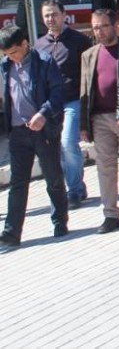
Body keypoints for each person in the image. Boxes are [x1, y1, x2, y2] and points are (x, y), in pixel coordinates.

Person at [0, 26, 67, 248]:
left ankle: (59, 220)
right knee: (18, 183)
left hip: (43, 130)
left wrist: (43, 114)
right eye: (6, 54)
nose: (10, 57)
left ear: (25, 44)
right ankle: (11, 233)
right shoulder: (4, 67)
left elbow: (58, 94)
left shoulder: (44, 62)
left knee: (53, 177)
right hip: (18, 133)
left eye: (13, 52)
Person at [34, 0, 91, 209]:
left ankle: (74, 190)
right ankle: (76, 186)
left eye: (54, 14)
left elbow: (88, 74)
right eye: (47, 15)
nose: (51, 19)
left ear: (64, 14)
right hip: (50, 105)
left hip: (73, 101)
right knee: (56, 149)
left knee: (68, 143)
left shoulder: (79, 41)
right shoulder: (39, 46)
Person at [79, 9, 119, 234]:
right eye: (95, 27)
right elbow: (84, 92)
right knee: (105, 167)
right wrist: (83, 125)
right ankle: (111, 214)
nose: (99, 31)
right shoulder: (89, 55)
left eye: (103, 26)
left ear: (114, 26)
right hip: (99, 117)